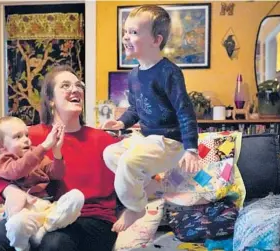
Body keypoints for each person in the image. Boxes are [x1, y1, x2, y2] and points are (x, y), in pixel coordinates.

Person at [0, 65, 119, 251]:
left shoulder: (104, 140)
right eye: (66, 85)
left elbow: (138, 174)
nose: (75, 89)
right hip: (43, 213)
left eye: (78, 85)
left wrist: (133, 210)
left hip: (93, 219)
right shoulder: (29, 138)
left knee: (55, 242)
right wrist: (8, 190)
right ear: (51, 100)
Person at [102, 5, 201, 232]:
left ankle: (136, 207)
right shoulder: (134, 75)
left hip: (169, 142)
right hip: (146, 138)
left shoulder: (169, 73)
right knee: (110, 154)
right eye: (125, 32)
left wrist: (191, 149)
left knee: (129, 162)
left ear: (156, 40)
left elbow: (185, 111)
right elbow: (136, 109)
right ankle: (151, 185)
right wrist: (121, 123)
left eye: (134, 32)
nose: (126, 37)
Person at [0, 116, 84, 251]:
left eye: (26, 135)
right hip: (24, 212)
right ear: (0, 145)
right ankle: (22, 247)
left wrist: (57, 152)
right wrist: (44, 146)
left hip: (46, 208)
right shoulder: (2, 162)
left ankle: (47, 227)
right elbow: (17, 170)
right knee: (16, 224)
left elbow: (57, 174)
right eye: (18, 137)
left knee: (76, 196)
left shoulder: (36, 155)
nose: (26, 139)